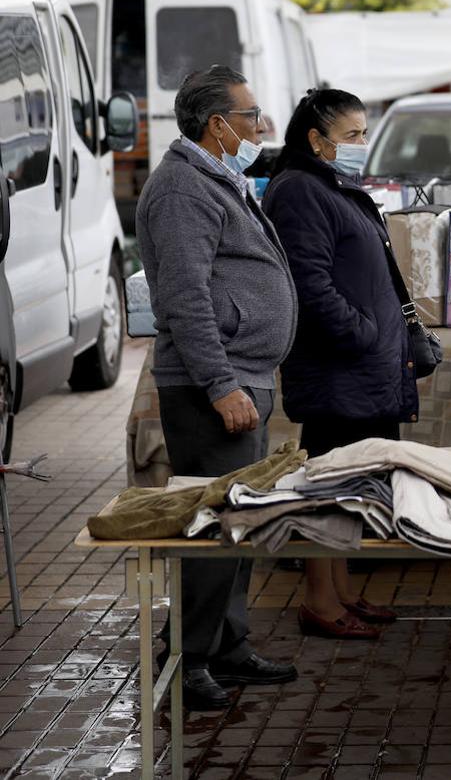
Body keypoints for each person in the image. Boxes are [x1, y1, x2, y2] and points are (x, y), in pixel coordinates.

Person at [136, 65, 299, 710]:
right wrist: (220, 383)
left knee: (239, 523)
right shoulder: (181, 189)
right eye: (252, 116)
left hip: (244, 375)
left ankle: (227, 645)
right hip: (214, 386)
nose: (260, 126)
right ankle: (186, 658)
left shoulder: (216, 175)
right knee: (212, 529)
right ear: (217, 124)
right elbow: (184, 297)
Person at [263, 89, 418, 640]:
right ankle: (320, 603)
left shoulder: (333, 185)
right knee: (328, 486)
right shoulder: (300, 191)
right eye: (352, 135)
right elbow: (309, 283)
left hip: (362, 367)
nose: (361, 144)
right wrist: (362, 334)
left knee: (351, 486)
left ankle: (342, 591)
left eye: (362, 133)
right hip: (338, 368)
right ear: (316, 139)